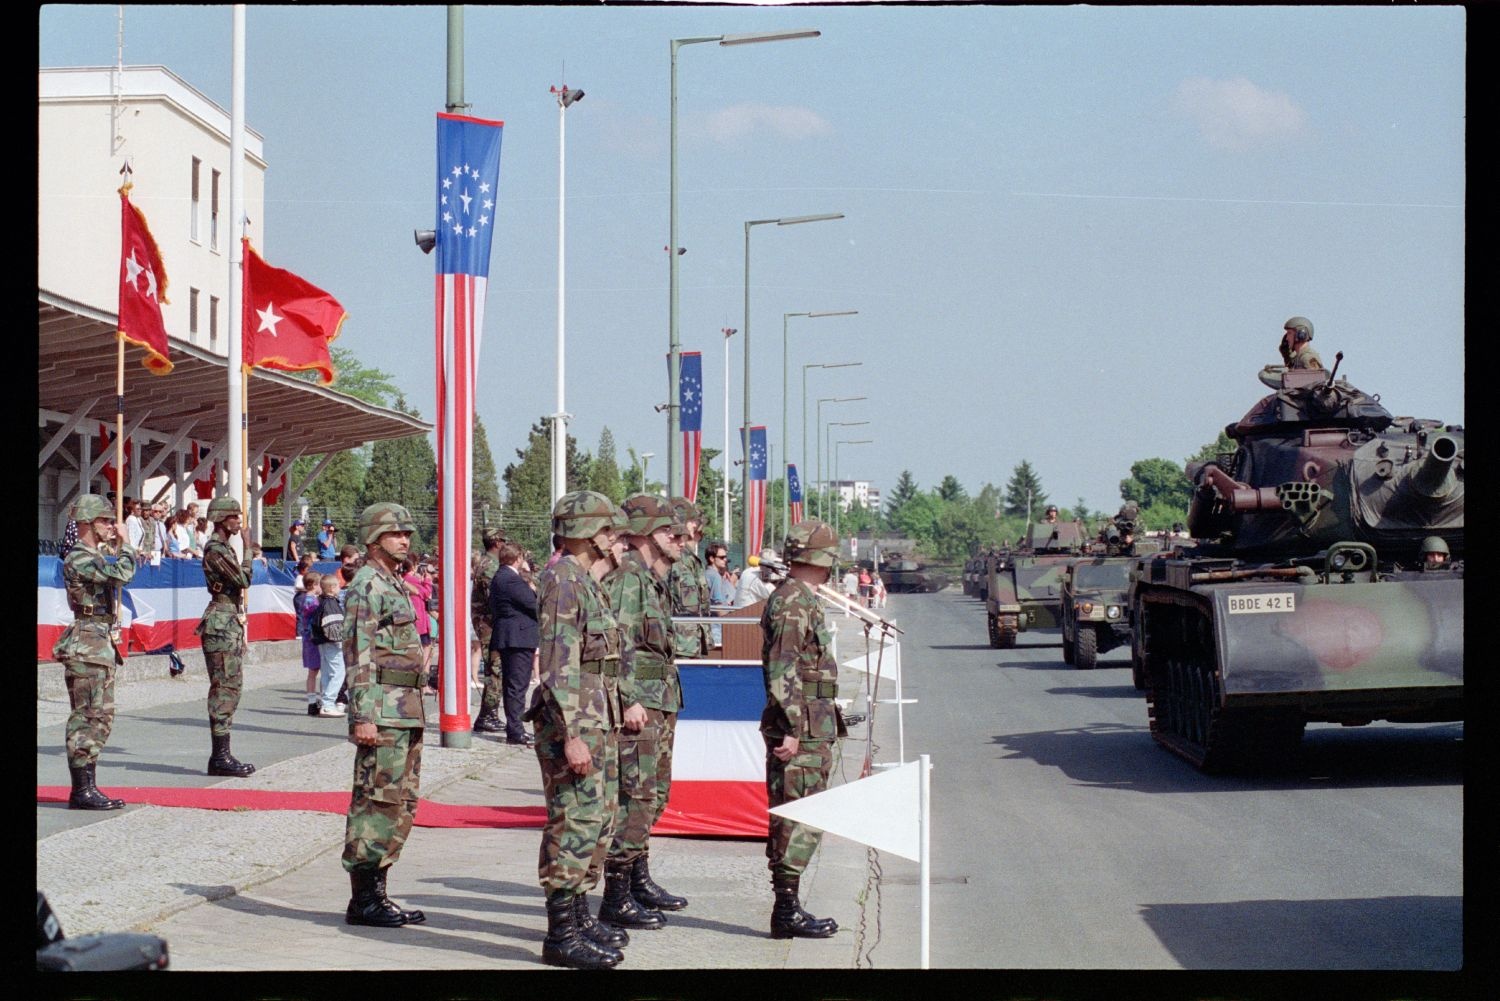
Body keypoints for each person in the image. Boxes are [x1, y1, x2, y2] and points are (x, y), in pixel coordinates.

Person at [526, 491, 627, 969]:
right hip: (575, 722)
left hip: (593, 718)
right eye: (608, 528)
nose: (615, 537)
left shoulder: (584, 580)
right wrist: (572, 734)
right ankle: (561, 935)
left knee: (597, 820)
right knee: (574, 821)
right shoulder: (563, 580)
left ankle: (580, 917)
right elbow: (559, 662)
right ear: (586, 532)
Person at [599, 493, 691, 931]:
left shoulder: (649, 578)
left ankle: (637, 877)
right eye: (670, 531)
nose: (680, 538)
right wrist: (628, 698)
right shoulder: (629, 579)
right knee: (636, 796)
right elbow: (619, 643)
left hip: (660, 697)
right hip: (642, 702)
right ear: (644, 534)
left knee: (652, 794)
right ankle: (616, 896)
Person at [338, 503, 427, 927]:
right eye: (395, 534)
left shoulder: (394, 582)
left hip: (405, 709)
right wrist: (362, 715)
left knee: (401, 803)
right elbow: (358, 653)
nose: (404, 540)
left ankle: (379, 891)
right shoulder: (367, 585)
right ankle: (364, 899)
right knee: (376, 801)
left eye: (406, 534)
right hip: (383, 710)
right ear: (375, 539)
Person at [760, 518, 844, 939]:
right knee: (798, 815)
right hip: (801, 727)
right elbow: (783, 667)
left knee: (803, 812)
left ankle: (788, 907)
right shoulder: (793, 601)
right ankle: (786, 910)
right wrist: (792, 725)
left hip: (812, 722)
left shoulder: (800, 597)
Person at [54, 494, 136, 810]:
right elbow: (123, 574)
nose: (111, 526)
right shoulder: (79, 557)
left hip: (99, 640)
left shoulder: (94, 555)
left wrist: (115, 547)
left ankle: (89, 785)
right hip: (86, 642)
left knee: (101, 716)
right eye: (105, 520)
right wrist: (126, 544)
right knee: (86, 715)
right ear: (87, 523)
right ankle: (81, 790)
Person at [196, 496, 257, 777]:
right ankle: (219, 757)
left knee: (231, 687)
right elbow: (243, 580)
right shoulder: (216, 550)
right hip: (220, 622)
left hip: (227, 620)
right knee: (224, 689)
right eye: (234, 517)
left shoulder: (222, 549)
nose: (238, 523)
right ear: (222, 519)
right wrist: (247, 549)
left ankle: (222, 754)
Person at [479, 541, 539, 745]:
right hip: (517, 638)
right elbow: (533, 604)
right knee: (517, 687)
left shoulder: (502, 576)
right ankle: (515, 730)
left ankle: (515, 727)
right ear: (518, 558)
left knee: (514, 686)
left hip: (512, 636)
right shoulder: (511, 579)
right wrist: (531, 585)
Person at [667, 498, 714, 661]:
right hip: (680, 644)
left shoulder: (689, 558)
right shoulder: (674, 559)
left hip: (691, 643)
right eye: (692, 520)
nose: (696, 525)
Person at [471, 529, 505, 712]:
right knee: (495, 667)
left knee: (495, 667)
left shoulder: (487, 562)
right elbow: (495, 597)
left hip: (486, 621)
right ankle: (488, 714)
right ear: (498, 543)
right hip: (488, 623)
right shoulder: (491, 566)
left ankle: (489, 713)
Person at [312, 574, 347, 717]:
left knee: (327, 673)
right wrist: (340, 641)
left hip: (323, 642)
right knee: (339, 673)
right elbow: (333, 626)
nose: (340, 588)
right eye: (338, 585)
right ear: (332, 588)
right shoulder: (331, 604)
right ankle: (328, 703)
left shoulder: (322, 602)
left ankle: (326, 703)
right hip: (332, 643)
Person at [298, 570, 324, 716]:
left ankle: (312, 701)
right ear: (315, 585)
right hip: (313, 639)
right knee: (316, 671)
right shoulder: (311, 601)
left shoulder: (307, 598)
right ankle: (314, 702)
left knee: (312, 672)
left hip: (308, 639)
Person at [704, 542, 735, 607]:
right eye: (722, 557)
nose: (725, 559)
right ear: (712, 559)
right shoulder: (715, 576)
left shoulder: (707, 573)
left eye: (726, 557)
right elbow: (718, 605)